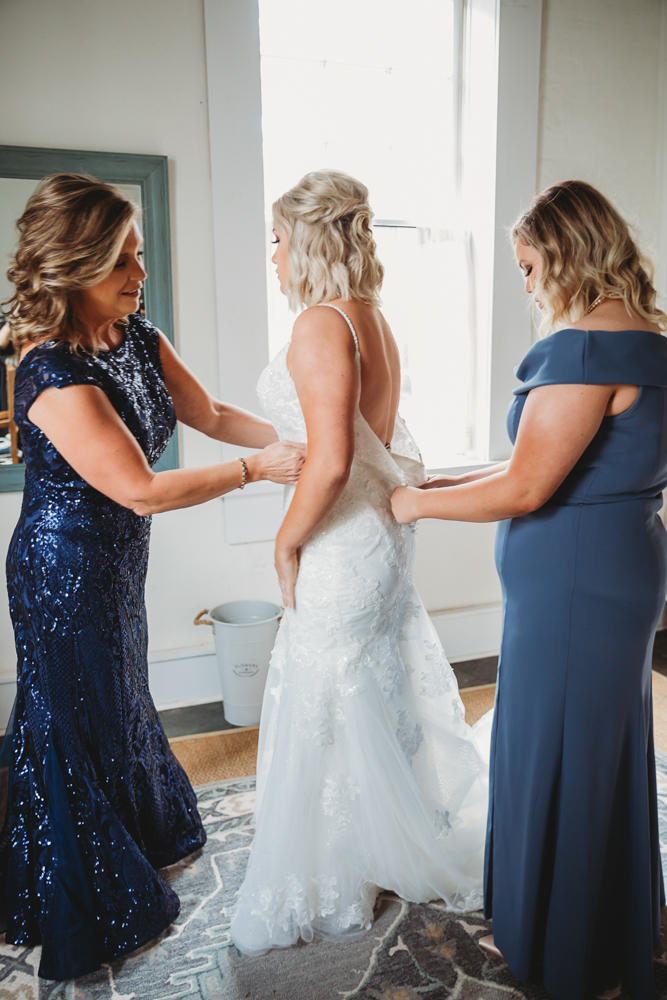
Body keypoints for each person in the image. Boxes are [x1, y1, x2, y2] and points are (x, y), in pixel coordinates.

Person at [2, 172, 306, 981]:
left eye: (137, 255)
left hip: (115, 566)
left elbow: (208, 415)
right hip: (61, 571)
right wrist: (256, 471)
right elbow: (139, 487)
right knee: (69, 716)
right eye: (119, 263)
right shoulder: (49, 372)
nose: (139, 274)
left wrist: (303, 438)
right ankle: (75, 893)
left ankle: (134, 838)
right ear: (70, 270)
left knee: (121, 700)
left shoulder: (141, 337)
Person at [391, 180, 667, 1000]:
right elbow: (556, 465)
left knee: (555, 749)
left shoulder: (579, 347)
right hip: (622, 561)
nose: (525, 282)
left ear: (563, 252)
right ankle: (604, 916)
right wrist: (446, 477)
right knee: (596, 745)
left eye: (526, 264)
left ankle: (559, 941)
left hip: (573, 582)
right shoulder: (651, 341)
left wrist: (413, 501)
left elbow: (526, 489)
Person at [230, 169, 492, 956]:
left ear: (306, 240)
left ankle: (341, 869)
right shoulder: (369, 316)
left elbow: (334, 460)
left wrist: (284, 541)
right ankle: (381, 842)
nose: (271, 257)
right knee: (367, 691)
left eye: (275, 240)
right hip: (379, 538)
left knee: (326, 693)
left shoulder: (318, 324)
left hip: (344, 543)